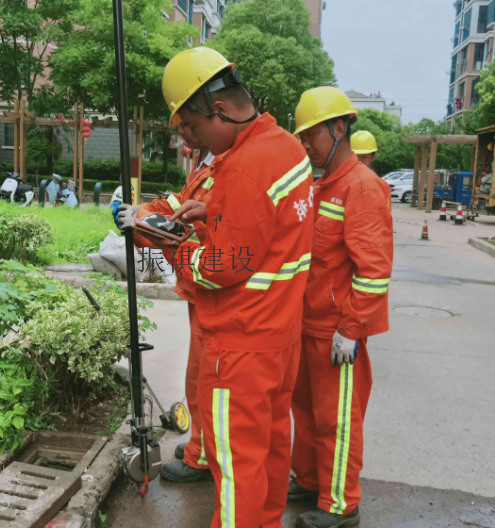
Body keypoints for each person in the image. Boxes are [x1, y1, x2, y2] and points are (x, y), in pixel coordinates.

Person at [163, 47, 314, 528]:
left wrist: (171, 246)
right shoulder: (285, 146)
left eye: (192, 127)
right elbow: (269, 231)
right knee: (269, 453)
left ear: (220, 110)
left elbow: (222, 268)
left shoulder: (245, 167)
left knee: (237, 469)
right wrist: (215, 212)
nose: (193, 140)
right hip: (279, 336)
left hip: (242, 344)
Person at [289, 87, 394, 528]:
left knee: (337, 418)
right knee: (307, 412)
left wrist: (351, 329)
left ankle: (340, 504)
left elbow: (373, 270)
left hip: (337, 331)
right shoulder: (321, 186)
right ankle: (312, 479)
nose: (307, 144)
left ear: (338, 128)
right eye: (303, 136)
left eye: (312, 134)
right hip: (308, 324)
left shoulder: (362, 188)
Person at [114, 129, 218, 483]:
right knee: (198, 377)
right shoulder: (204, 164)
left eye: (189, 124)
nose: (185, 133)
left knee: (209, 380)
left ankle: (206, 454)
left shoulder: (225, 166)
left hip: (213, 286)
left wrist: (146, 226)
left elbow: (182, 232)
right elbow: (176, 206)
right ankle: (200, 447)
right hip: (200, 289)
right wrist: (140, 212)